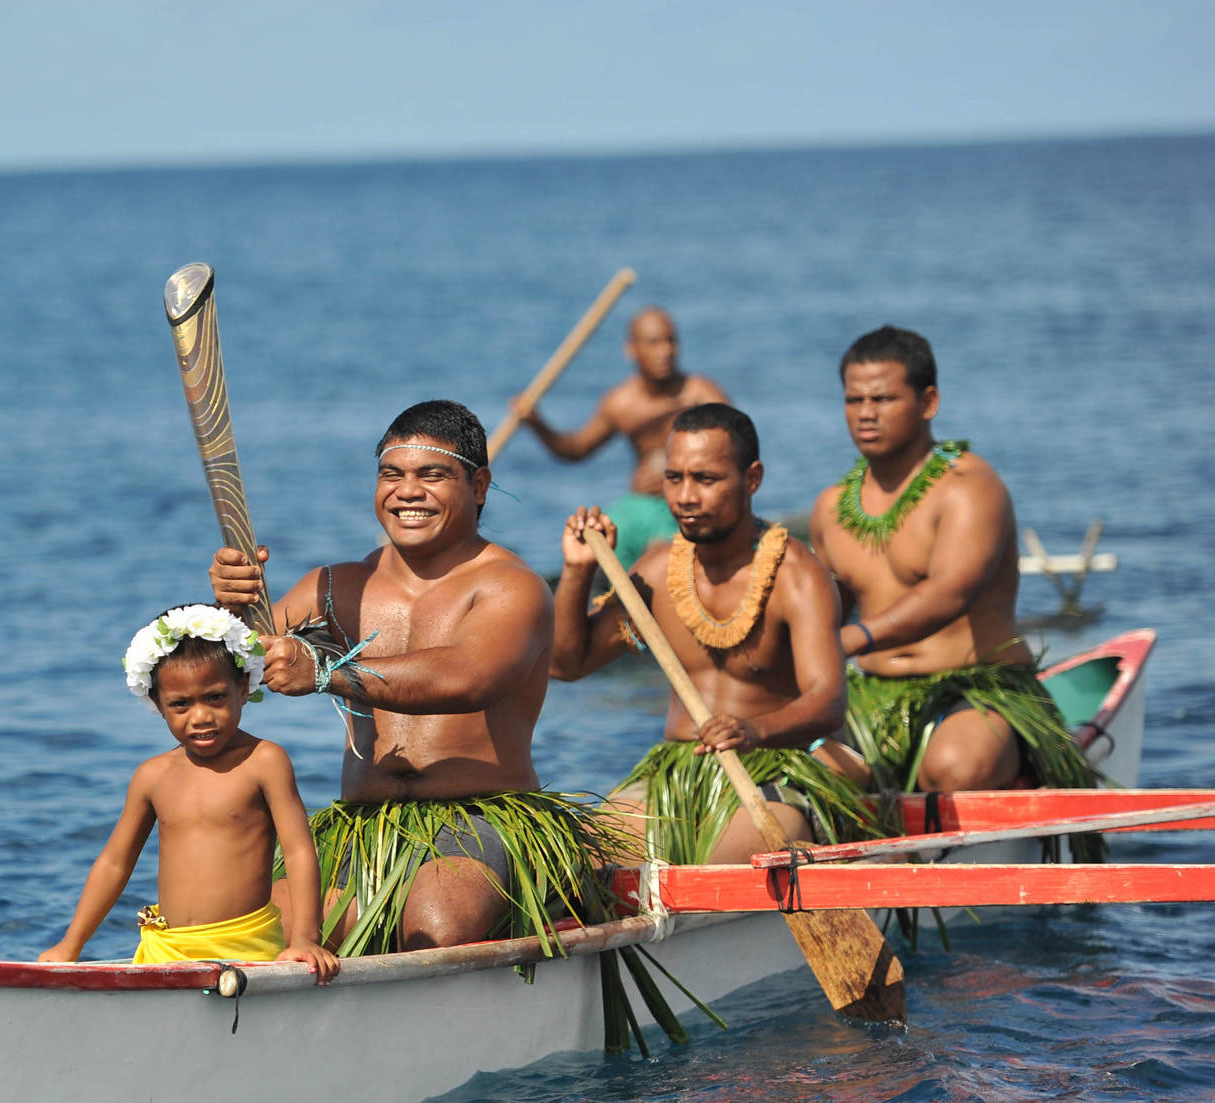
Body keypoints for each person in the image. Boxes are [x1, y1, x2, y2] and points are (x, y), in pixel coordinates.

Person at [208, 400, 626, 955]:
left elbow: (467, 677)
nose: (407, 491)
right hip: (362, 823)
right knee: (275, 925)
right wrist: (232, 610)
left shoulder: (511, 586)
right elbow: (224, 677)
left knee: (435, 919)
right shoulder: (335, 586)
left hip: (481, 818)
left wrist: (328, 670)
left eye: (432, 475)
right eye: (391, 475)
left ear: (478, 486)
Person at [550, 404, 882, 864]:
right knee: (582, 854)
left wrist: (753, 730)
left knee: (716, 859)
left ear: (752, 479)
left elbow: (828, 702)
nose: (685, 496)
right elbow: (567, 664)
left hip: (777, 769)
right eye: (674, 478)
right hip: (680, 772)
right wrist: (576, 572)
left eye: (706, 479)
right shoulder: (655, 570)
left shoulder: (797, 576)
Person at [807, 327, 1100, 845]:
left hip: (976, 687)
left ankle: (1020, 770)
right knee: (813, 780)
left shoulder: (969, 488)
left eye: (883, 398)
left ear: (928, 402)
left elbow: (950, 592)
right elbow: (822, 612)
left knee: (953, 767)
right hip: (871, 698)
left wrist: (856, 639)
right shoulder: (832, 508)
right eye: (854, 399)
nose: (865, 413)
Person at [38, 604, 339, 981]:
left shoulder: (264, 761)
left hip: (248, 947)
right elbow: (115, 863)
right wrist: (70, 946)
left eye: (214, 697)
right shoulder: (153, 776)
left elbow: (298, 851)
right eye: (180, 704)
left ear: (243, 689)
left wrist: (305, 939)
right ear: (157, 705)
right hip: (168, 949)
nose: (200, 716)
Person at [516, 306, 729, 570]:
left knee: (659, 557)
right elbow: (576, 448)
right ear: (631, 349)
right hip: (637, 507)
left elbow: (735, 450)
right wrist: (538, 424)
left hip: (684, 505)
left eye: (670, 341)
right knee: (597, 546)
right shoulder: (621, 402)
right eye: (653, 343)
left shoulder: (700, 393)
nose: (665, 351)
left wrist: (677, 471)